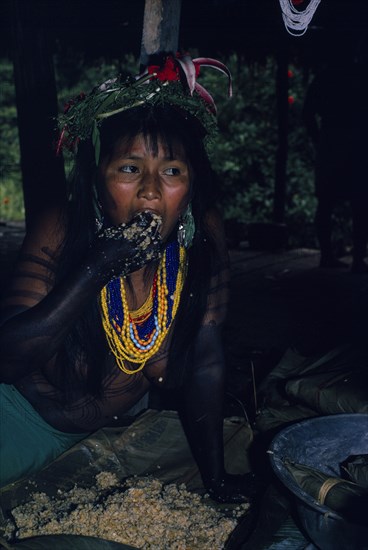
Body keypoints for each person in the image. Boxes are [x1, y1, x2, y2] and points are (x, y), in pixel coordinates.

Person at [0, 52, 256, 502]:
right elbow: (8, 360)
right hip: (17, 420)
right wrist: (96, 268)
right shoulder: (59, 228)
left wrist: (215, 481)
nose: (151, 191)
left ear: (192, 182)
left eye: (172, 171)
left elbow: (207, 360)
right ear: (99, 178)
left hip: (83, 445)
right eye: (130, 169)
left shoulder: (203, 236)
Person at [303, 51, 368, 272]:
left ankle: (334, 256)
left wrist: (319, 139)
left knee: (334, 202)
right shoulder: (357, 76)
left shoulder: (327, 77)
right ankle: (352, 258)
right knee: (355, 203)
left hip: (335, 143)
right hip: (348, 143)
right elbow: (308, 113)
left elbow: (308, 113)